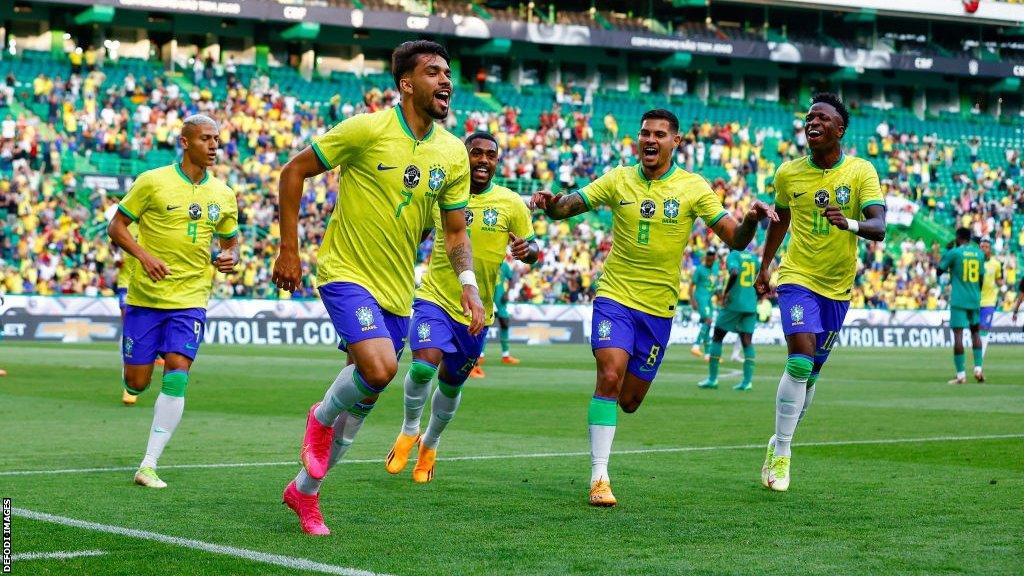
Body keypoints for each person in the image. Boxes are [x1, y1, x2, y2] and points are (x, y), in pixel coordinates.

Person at [272, 40, 484, 536]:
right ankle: (318, 417)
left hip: (396, 292)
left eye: (448, 72)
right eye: (433, 72)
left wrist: (468, 285)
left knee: (364, 401)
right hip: (346, 273)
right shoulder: (367, 129)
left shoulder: (452, 152)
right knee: (381, 368)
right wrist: (289, 248)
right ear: (406, 84)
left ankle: (304, 493)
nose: (446, 81)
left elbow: (455, 231)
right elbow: (293, 171)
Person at [532, 109, 777, 507]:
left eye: (660, 135)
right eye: (645, 133)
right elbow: (567, 207)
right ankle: (599, 477)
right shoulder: (617, 179)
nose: (650, 140)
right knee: (609, 376)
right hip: (614, 297)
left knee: (629, 400)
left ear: (675, 142)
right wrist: (550, 203)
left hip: (658, 309)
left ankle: (605, 447)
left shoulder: (692, 187)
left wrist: (750, 218)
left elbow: (735, 239)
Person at [385, 131, 540, 483]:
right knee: (424, 367)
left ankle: (431, 444)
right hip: (435, 298)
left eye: (490, 155)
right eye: (476, 153)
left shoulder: (511, 203)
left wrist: (527, 253)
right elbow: (415, 231)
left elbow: (532, 251)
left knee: (452, 384)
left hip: (476, 311)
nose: (483, 160)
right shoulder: (443, 197)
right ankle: (409, 430)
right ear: (464, 156)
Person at [755, 93, 886, 492]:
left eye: (822, 118)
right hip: (797, 279)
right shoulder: (788, 174)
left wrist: (847, 223)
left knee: (810, 374)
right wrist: (766, 266)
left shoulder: (861, 171)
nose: (812, 123)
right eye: (808, 118)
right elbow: (780, 221)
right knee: (799, 362)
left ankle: (779, 439)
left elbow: (879, 228)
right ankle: (784, 453)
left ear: (839, 129)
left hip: (837, 288)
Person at [107, 114, 240, 489]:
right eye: (205, 139)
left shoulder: (223, 194)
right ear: (185, 142)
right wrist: (143, 256)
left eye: (217, 139)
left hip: (192, 297)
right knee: (137, 382)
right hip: (146, 298)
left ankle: (148, 463)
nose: (214, 146)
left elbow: (231, 242)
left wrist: (230, 257)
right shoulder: (152, 182)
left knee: (179, 371)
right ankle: (133, 378)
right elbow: (116, 227)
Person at [698, 247, 760, 391]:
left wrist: (726, 293)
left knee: (717, 336)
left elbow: (734, 272)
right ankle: (747, 382)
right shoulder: (753, 257)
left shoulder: (733, 255)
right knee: (747, 342)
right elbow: (760, 274)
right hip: (750, 303)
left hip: (734, 303)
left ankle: (712, 379)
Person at [937, 227, 985, 384]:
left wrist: (948, 250)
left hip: (959, 299)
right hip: (974, 298)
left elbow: (939, 271)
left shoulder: (955, 252)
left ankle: (961, 375)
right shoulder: (979, 253)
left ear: (958, 237)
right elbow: (981, 278)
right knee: (975, 333)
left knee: (958, 335)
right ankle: (978, 368)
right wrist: (976, 293)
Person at [471, 255, 520, 378]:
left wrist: (508, 292)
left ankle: (506, 355)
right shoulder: (484, 262)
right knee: (483, 325)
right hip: (487, 299)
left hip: (500, 299)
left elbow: (513, 277)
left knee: (504, 323)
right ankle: (480, 355)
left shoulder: (504, 265)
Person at [689, 250, 719, 360]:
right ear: (705, 258)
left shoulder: (715, 268)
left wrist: (719, 295)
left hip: (709, 299)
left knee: (707, 325)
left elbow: (714, 284)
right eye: (707, 259)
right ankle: (696, 346)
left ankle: (707, 354)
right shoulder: (699, 269)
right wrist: (692, 301)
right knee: (708, 321)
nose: (709, 262)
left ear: (714, 259)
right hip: (701, 298)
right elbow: (691, 286)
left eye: (711, 260)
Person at [978, 238, 1002, 360]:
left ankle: (979, 361)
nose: (983, 249)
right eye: (981, 246)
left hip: (989, 302)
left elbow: (999, 281)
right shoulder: (975, 262)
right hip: (974, 301)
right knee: (975, 331)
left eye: (986, 247)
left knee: (984, 329)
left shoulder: (996, 264)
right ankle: (977, 355)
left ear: (990, 249)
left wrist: (1002, 283)